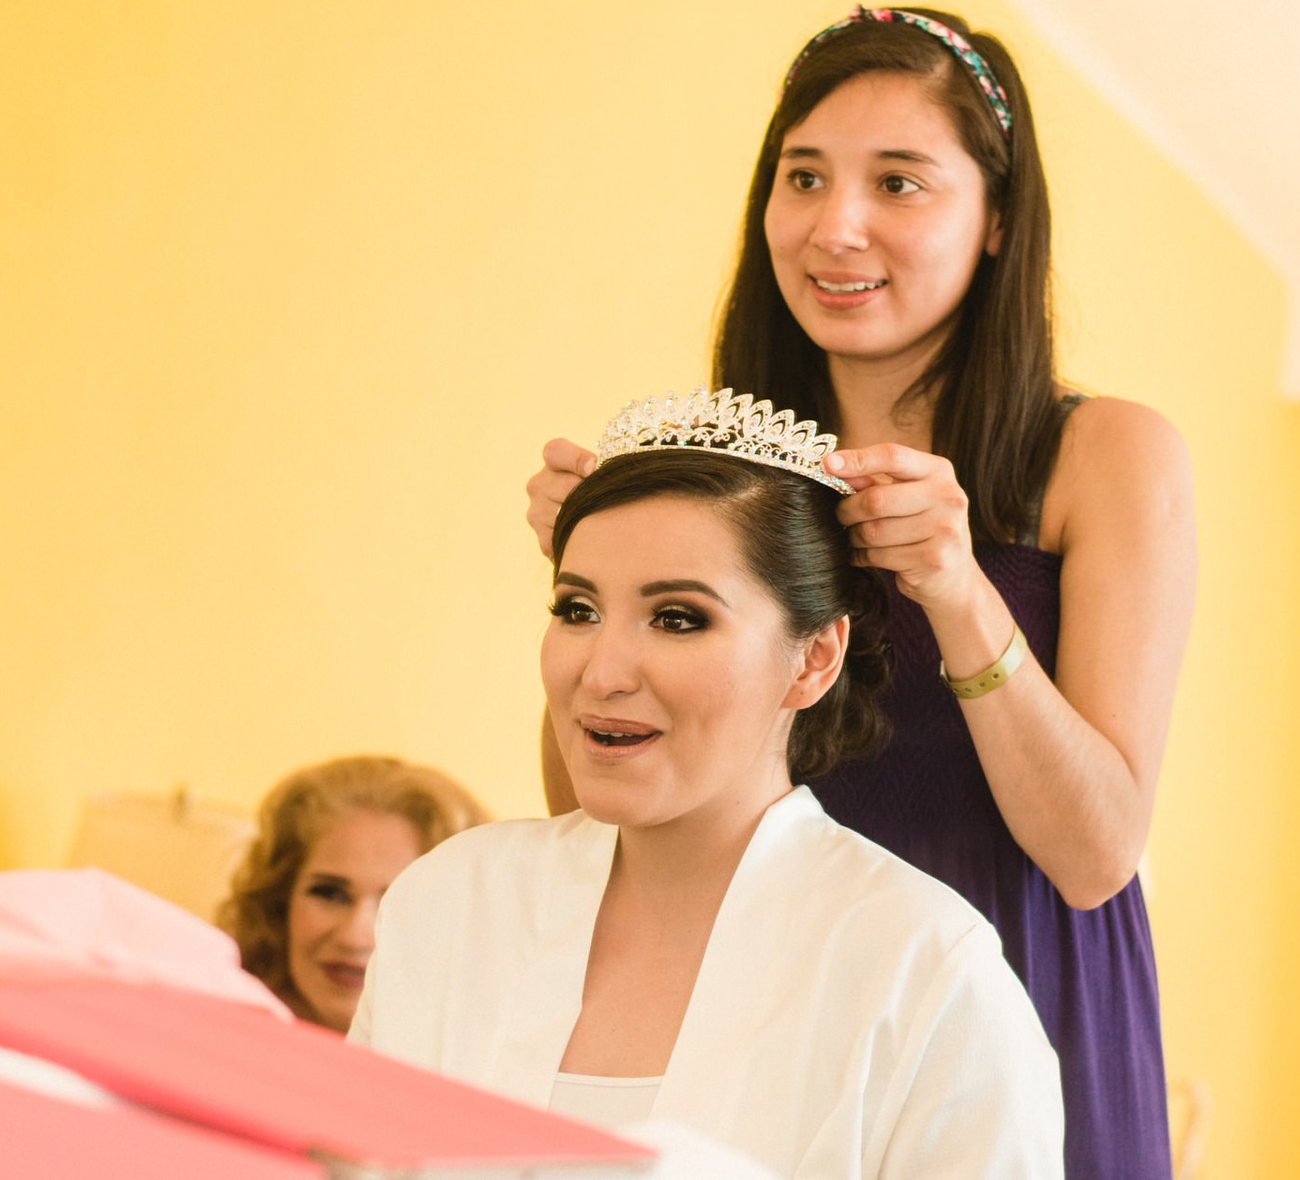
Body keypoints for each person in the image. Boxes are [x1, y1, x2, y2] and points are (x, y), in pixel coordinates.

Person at [526, 7, 1196, 1179]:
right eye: (804, 177)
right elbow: (602, 809)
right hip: (770, 1013)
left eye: (898, 182)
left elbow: (1097, 851)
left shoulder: (1108, 456)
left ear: (997, 218)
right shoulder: (721, 465)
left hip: (1028, 999)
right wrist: (600, 594)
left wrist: (957, 589)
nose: (836, 226)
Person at [357, 391, 1063, 1178]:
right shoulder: (448, 904)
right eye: (578, 609)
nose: (602, 673)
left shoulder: (924, 973)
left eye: (678, 618)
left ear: (814, 659)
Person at [218, 754, 487, 1032]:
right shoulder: (215, 1023)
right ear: (278, 903)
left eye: (400, 905)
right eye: (330, 894)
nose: (354, 938)